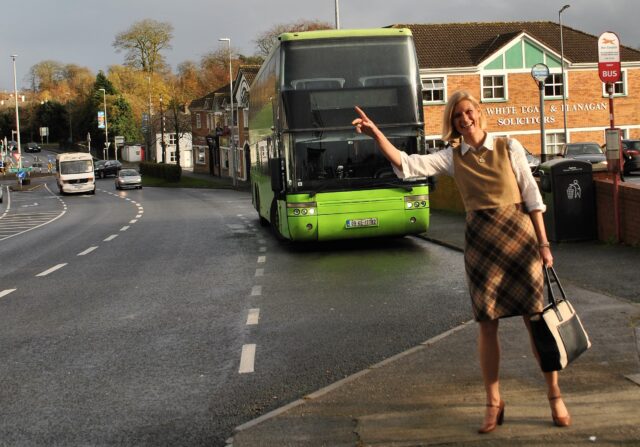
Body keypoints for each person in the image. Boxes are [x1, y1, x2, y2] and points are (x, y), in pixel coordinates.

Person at [352, 90, 570, 433]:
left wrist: (544, 243)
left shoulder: (509, 147)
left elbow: (532, 197)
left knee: (535, 319)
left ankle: (555, 394)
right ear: (452, 123)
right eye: (457, 116)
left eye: (468, 112)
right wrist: (376, 134)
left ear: (479, 113)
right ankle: (493, 402)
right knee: (487, 323)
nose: (464, 119)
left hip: (520, 239)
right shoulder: (452, 156)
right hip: (481, 243)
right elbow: (409, 164)